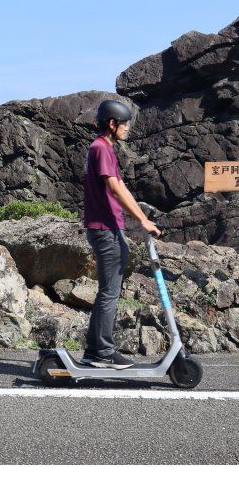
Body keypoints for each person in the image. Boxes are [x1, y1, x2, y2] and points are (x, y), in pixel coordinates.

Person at [81, 99, 161, 369]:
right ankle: (103, 351)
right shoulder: (101, 148)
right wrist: (142, 220)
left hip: (107, 227)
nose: (127, 128)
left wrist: (141, 213)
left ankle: (94, 350)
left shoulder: (103, 149)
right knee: (109, 293)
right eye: (124, 123)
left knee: (108, 291)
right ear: (112, 124)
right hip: (105, 229)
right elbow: (114, 188)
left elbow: (121, 187)